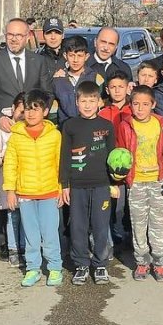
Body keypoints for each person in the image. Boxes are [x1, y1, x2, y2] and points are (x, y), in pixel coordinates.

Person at [2, 90, 65, 288]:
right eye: (27, 109)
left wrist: (61, 188)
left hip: (49, 192)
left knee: (50, 232)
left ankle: (55, 267)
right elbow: (10, 164)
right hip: (25, 193)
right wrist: (10, 190)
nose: (30, 114)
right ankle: (33, 268)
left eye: (35, 109)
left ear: (45, 112)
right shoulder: (16, 136)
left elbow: (59, 163)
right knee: (31, 234)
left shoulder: (54, 135)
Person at [114, 85, 163, 281]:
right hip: (137, 183)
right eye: (136, 104)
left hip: (158, 182)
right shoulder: (125, 125)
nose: (140, 108)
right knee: (138, 225)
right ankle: (142, 262)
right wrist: (119, 175)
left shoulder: (161, 124)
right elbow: (120, 153)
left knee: (158, 225)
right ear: (130, 105)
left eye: (145, 104)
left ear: (153, 105)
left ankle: (159, 263)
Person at [59, 80, 115, 286]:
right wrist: (64, 184)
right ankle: (81, 264)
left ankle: (100, 264)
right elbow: (64, 156)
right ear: (76, 102)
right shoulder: (69, 126)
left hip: (101, 185)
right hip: (77, 186)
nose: (88, 105)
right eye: (83, 100)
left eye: (92, 100)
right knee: (78, 227)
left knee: (100, 226)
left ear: (99, 102)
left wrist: (114, 182)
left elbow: (113, 157)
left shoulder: (107, 126)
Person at [0, 18, 57, 131]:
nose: (14, 39)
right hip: (5, 127)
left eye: (19, 35)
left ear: (27, 37)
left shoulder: (39, 61)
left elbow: (48, 94)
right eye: (10, 35)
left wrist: (38, 116)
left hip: (33, 126)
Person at [0, 92, 25, 270]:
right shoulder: (1, 130)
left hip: (30, 184)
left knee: (28, 219)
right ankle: (13, 249)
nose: (24, 115)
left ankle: (26, 248)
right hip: (9, 183)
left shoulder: (34, 130)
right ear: (13, 109)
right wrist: (2, 158)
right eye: (21, 110)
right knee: (12, 217)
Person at [51, 35, 93, 124]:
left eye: (80, 56)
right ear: (65, 56)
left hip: (88, 126)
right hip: (65, 127)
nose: (75, 60)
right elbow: (53, 108)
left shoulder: (95, 78)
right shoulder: (58, 80)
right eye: (71, 55)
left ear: (86, 56)